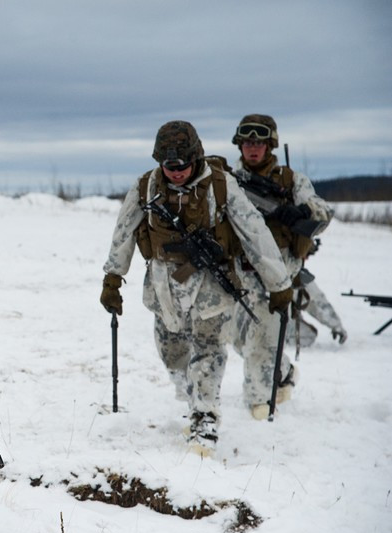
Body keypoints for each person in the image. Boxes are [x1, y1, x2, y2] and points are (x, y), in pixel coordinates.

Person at [99, 121, 292, 456]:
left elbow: (255, 233)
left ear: (196, 157)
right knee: (172, 354)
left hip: (212, 285)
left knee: (209, 350)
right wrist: (113, 279)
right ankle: (193, 400)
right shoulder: (145, 186)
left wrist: (279, 283)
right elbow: (124, 232)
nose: (176, 172)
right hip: (164, 287)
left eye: (183, 165)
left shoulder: (221, 185)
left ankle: (205, 420)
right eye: (169, 165)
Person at [228, 114, 333, 420]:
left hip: (277, 271)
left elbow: (323, 213)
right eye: (247, 142)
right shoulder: (229, 180)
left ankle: (260, 405)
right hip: (240, 270)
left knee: (261, 340)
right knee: (239, 339)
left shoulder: (291, 180)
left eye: (259, 143)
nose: (252, 148)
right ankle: (283, 371)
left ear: (270, 145)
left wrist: (300, 211)